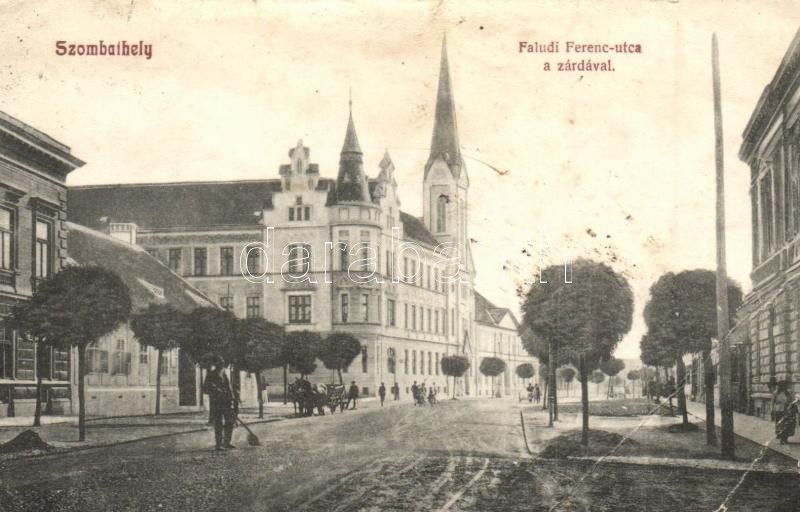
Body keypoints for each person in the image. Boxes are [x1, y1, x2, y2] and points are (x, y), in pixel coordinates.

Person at [202, 356, 238, 451]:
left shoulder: (224, 374)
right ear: (216, 364)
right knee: (218, 423)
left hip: (226, 402)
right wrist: (216, 390)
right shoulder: (211, 375)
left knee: (229, 421)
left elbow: (229, 387)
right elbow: (205, 388)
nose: (222, 364)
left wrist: (231, 397)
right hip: (217, 403)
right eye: (220, 362)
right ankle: (218, 444)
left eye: (222, 362)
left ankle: (226, 442)